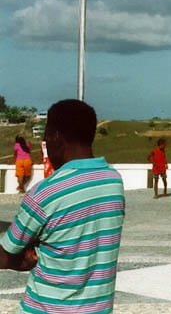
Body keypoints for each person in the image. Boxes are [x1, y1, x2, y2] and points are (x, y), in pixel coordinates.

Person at [0, 99, 126, 312]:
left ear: (54, 136)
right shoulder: (113, 181)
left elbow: (5, 253)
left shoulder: (45, 193)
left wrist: (17, 261)